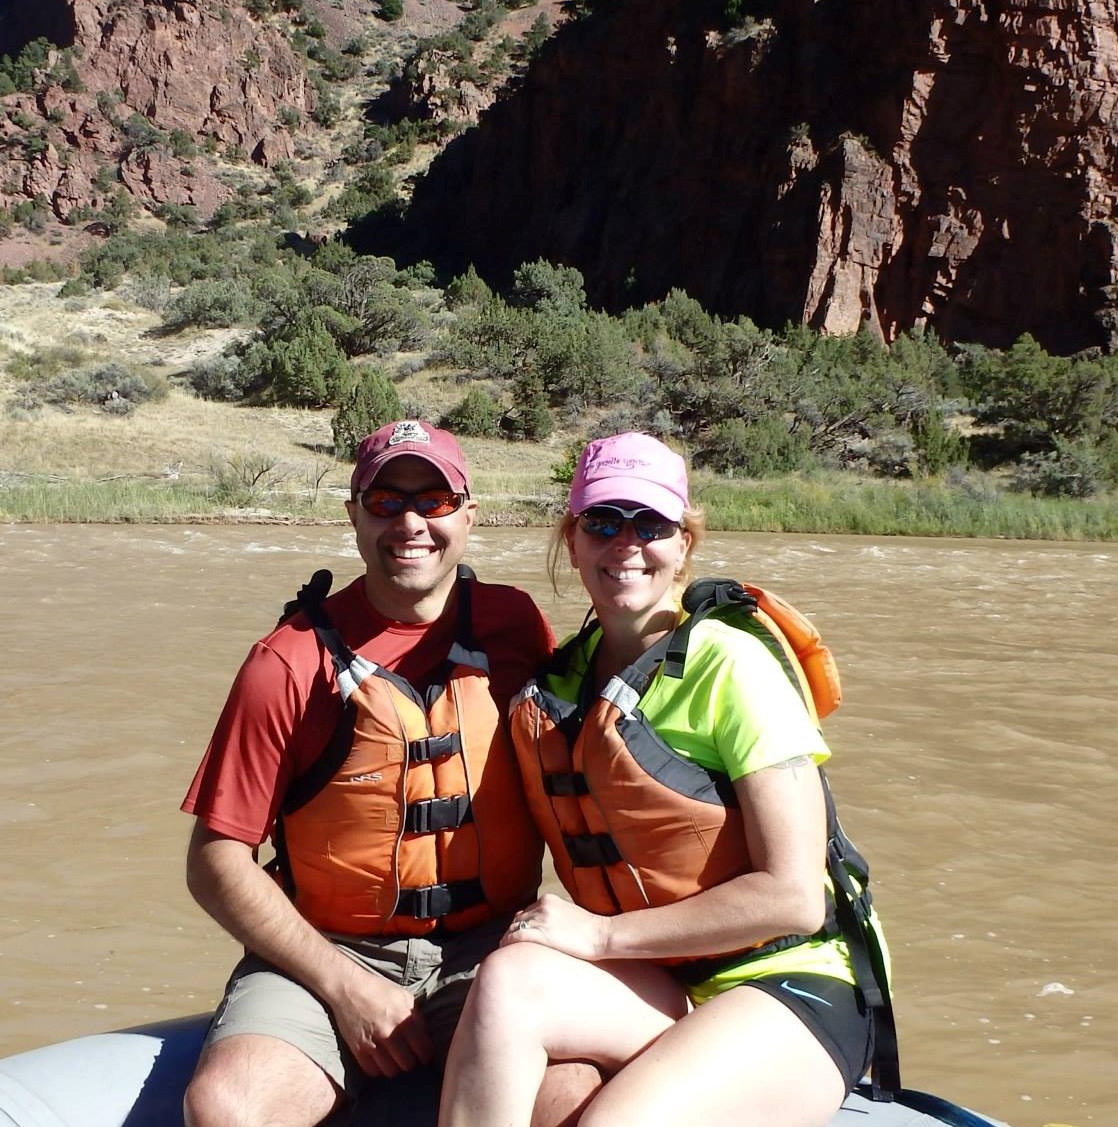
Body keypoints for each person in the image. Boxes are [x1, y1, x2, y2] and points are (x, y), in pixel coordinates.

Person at [438, 431, 888, 1127]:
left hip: (790, 980)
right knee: (508, 983)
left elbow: (794, 896)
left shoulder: (731, 665)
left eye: (651, 524)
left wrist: (600, 938)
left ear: (684, 543)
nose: (626, 543)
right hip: (666, 979)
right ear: (573, 538)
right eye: (602, 522)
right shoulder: (560, 679)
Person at [182, 419, 572, 1127]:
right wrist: (343, 986)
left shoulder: (514, 625)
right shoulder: (285, 663)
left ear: (470, 514)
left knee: (576, 1102)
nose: (412, 522)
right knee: (226, 1108)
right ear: (354, 514)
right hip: (327, 951)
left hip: (491, 948)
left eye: (435, 500)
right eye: (386, 500)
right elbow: (215, 861)